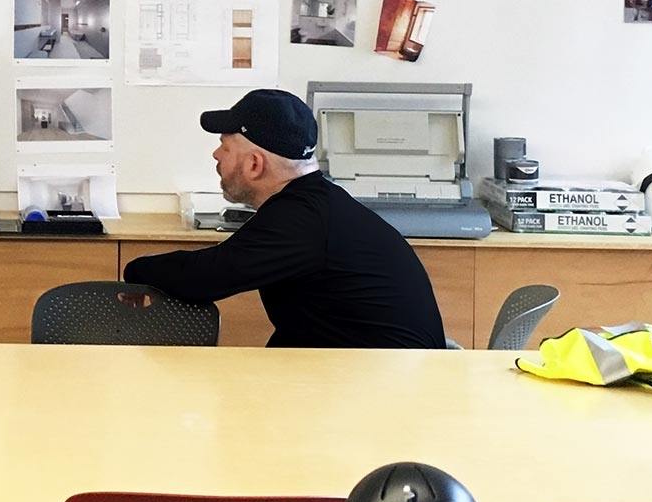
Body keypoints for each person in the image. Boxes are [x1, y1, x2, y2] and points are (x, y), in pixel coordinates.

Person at [122, 89, 446, 349]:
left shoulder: (300, 219)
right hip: (357, 377)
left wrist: (136, 269)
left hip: (384, 398)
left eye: (224, 146)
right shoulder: (315, 205)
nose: (216, 155)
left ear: (254, 164)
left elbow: (207, 275)